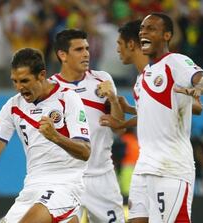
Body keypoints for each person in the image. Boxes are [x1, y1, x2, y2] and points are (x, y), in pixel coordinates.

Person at [0, 48, 91, 223]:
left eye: (25, 81)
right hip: (32, 187)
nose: (19, 87)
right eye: (15, 81)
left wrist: (55, 137)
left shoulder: (67, 98)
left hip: (65, 184)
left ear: (41, 75)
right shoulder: (13, 106)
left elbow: (85, 152)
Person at [125, 13, 203, 223]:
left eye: (151, 29)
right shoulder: (141, 78)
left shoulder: (175, 62)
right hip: (143, 167)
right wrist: (123, 118)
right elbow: (152, 115)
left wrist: (198, 89)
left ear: (167, 36)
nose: (143, 32)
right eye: (142, 29)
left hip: (170, 168)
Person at [48, 29, 125, 223]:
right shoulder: (49, 89)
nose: (86, 54)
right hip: (67, 178)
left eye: (87, 48)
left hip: (102, 175)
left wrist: (113, 100)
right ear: (62, 55)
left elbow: (120, 128)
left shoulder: (102, 79)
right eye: (79, 49)